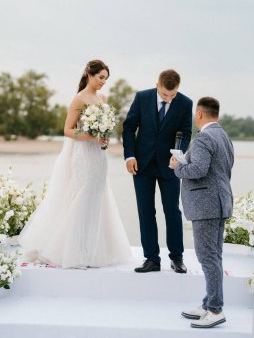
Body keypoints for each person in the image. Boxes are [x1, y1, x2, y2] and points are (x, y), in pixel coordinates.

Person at [19, 59, 131, 269]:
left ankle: (94, 250)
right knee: (83, 194)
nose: (103, 82)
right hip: (83, 154)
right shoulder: (78, 99)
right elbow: (68, 130)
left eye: (106, 79)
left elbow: (103, 128)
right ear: (89, 75)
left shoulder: (103, 98)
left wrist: (104, 135)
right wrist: (91, 136)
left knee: (98, 194)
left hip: (99, 154)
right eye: (100, 78)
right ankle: (74, 250)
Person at [170, 97, 234, 328]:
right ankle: (209, 304)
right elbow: (223, 169)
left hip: (206, 206)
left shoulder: (204, 137)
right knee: (214, 255)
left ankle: (215, 310)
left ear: (199, 114)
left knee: (208, 257)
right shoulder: (224, 136)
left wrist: (178, 166)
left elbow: (198, 169)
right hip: (220, 202)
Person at [122, 69, 192, 273]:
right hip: (142, 164)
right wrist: (129, 155)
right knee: (146, 212)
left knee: (172, 211)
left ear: (178, 89)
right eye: (164, 94)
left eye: (172, 95)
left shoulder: (186, 103)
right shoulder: (142, 97)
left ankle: (177, 258)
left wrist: (179, 154)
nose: (168, 98)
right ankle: (151, 259)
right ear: (157, 85)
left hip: (169, 166)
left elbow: (186, 132)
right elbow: (129, 127)